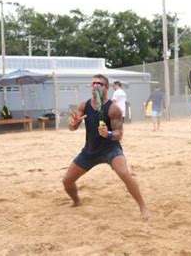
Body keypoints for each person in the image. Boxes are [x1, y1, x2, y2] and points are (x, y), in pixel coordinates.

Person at [63, 74, 150, 218]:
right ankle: (77, 201)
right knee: (67, 181)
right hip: (90, 150)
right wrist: (74, 124)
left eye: (99, 84)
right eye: (93, 83)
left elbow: (119, 134)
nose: (95, 86)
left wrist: (108, 134)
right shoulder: (84, 106)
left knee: (124, 173)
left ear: (107, 88)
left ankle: (143, 206)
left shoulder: (113, 109)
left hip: (110, 149)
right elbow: (72, 127)